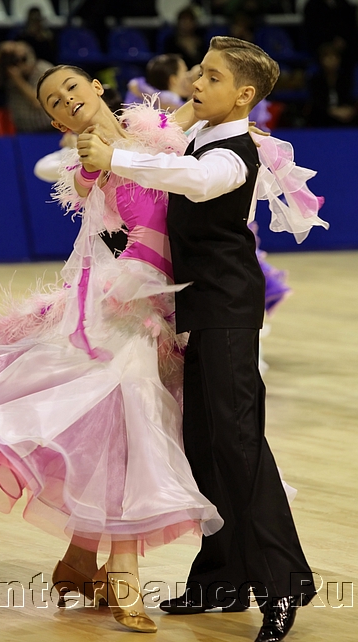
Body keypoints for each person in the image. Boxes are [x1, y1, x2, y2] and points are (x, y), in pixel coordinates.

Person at [0, 65, 224, 633]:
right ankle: (124, 577)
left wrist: (236, 125)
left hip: (164, 304)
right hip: (117, 304)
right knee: (132, 420)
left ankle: (78, 561)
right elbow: (98, 182)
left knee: (117, 427)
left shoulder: (151, 132)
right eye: (54, 101)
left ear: (96, 87)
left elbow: (186, 120)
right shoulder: (89, 158)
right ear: (54, 121)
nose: (67, 100)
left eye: (72, 87)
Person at [82, 36, 326, 642]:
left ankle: (281, 585)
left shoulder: (234, 155)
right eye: (199, 71)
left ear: (244, 95)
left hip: (226, 310)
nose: (197, 82)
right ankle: (222, 580)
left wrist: (116, 158)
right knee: (206, 445)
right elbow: (169, 146)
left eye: (212, 77)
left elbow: (190, 178)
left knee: (238, 445)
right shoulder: (201, 135)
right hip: (199, 308)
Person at [0, 40, 53, 133]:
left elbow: (37, 103)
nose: (20, 64)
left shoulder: (43, 70)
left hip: (46, 130)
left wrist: (18, 79)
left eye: (23, 59)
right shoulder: (10, 71)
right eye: (16, 59)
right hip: (21, 129)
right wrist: (0, 52)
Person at [124, 53, 194, 110]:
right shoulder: (177, 105)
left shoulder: (137, 86)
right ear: (174, 79)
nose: (188, 75)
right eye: (185, 71)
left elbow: (134, 84)